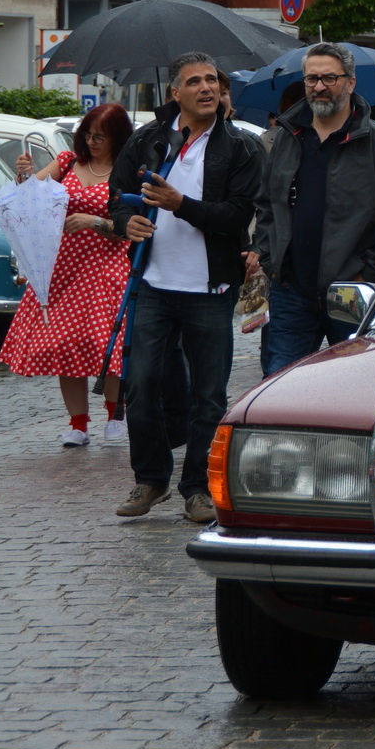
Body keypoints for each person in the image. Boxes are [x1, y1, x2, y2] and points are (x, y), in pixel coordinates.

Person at [109, 54, 262, 523]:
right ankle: (151, 478)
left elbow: (237, 215)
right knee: (140, 385)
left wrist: (181, 205)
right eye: (194, 82)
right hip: (153, 284)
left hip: (210, 289)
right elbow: (117, 196)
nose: (206, 88)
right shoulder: (149, 140)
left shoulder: (241, 146)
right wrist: (126, 222)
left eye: (212, 80)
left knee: (209, 395)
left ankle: (196, 487)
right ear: (175, 93)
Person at [257, 43, 375, 375]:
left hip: (349, 293)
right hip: (291, 291)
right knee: (280, 383)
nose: (319, 86)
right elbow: (267, 203)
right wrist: (271, 261)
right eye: (311, 78)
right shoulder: (288, 137)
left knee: (353, 384)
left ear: (350, 82)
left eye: (329, 78)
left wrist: (367, 274)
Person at [0, 103, 134, 447]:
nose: (91, 142)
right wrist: (24, 175)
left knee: (107, 343)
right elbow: (29, 197)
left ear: (117, 137)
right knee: (65, 342)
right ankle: (78, 423)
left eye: (100, 137)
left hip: (107, 266)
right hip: (64, 268)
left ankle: (115, 413)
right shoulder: (68, 161)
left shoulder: (127, 170)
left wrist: (93, 222)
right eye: (87, 135)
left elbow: (132, 226)